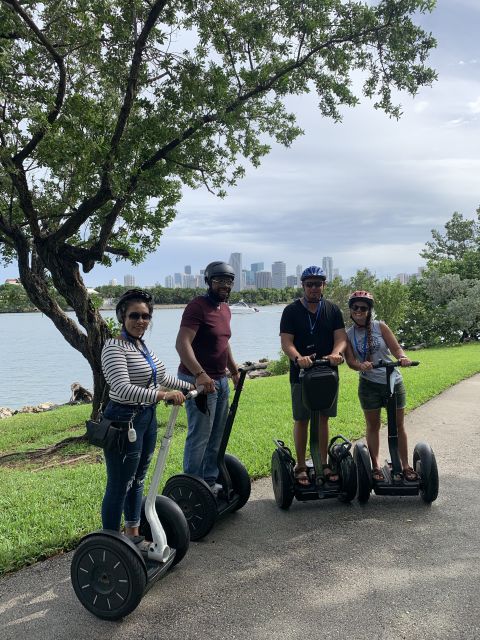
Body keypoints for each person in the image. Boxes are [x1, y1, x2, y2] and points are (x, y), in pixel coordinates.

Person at [100, 288, 192, 541]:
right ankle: (110, 542)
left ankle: (133, 534)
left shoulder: (141, 346)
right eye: (135, 316)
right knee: (120, 484)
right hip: (123, 420)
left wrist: (191, 384)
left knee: (138, 479)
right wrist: (164, 396)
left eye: (146, 316)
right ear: (122, 317)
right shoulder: (114, 347)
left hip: (146, 418)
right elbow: (121, 387)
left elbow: (161, 378)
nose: (141, 321)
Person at [176, 261, 240, 492]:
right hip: (198, 381)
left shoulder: (225, 309)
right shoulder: (197, 307)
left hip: (220, 380)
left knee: (216, 435)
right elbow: (182, 344)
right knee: (200, 436)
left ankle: (210, 482)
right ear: (209, 281)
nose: (225, 285)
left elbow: (223, 343)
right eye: (220, 280)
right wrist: (200, 374)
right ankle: (192, 487)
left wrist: (233, 371)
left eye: (229, 281)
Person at [280, 265, 347, 486]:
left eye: (318, 284)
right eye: (310, 284)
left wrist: (337, 353)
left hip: (328, 373)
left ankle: (324, 463)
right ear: (303, 286)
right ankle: (300, 465)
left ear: (323, 285)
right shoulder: (291, 311)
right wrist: (298, 358)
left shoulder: (332, 310)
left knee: (324, 418)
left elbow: (341, 338)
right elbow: (286, 342)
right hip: (302, 375)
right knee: (302, 418)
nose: (314, 288)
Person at [344, 290, 417, 482]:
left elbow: (396, 348)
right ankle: (375, 466)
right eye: (355, 307)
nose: (359, 311)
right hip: (368, 385)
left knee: (398, 425)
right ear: (350, 311)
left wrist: (402, 357)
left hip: (393, 381)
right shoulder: (348, 335)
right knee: (373, 425)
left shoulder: (380, 326)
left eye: (363, 308)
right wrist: (360, 365)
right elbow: (350, 361)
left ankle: (405, 464)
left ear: (369, 310)